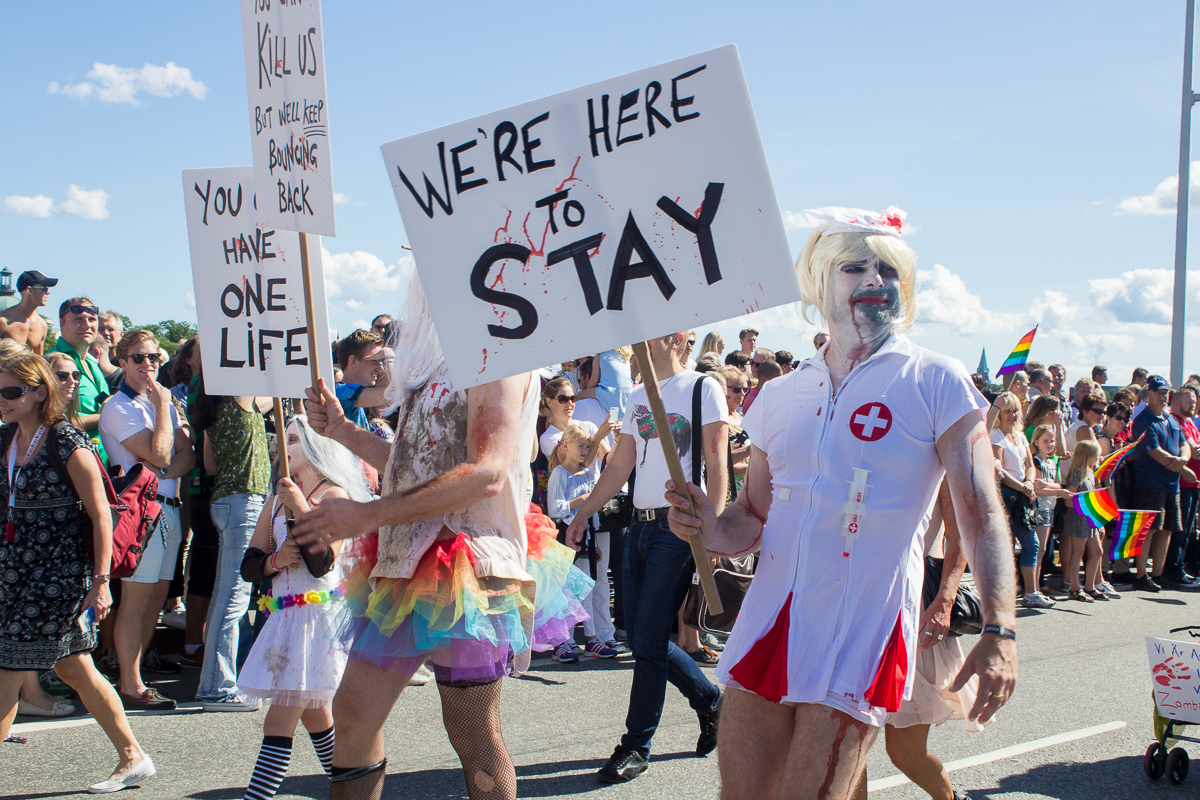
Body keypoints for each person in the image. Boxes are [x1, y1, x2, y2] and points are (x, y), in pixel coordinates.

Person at [663, 205, 1016, 800]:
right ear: (819, 281)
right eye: (855, 268)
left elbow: (982, 516)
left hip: (863, 628)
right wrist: (705, 524)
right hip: (770, 624)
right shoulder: (779, 394)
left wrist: (1000, 628)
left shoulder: (937, 380)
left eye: (888, 270)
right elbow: (751, 517)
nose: (874, 282)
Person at [291, 275, 588, 800]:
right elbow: (414, 467)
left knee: (472, 730)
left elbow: (487, 473)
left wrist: (368, 515)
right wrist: (343, 431)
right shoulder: (434, 364)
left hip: (470, 564)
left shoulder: (501, 354)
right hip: (405, 561)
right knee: (354, 710)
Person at [565, 331, 728, 785]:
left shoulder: (702, 388)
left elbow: (717, 466)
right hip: (638, 524)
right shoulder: (638, 395)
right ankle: (711, 701)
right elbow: (620, 465)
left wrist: (711, 532)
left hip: (678, 527)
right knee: (642, 637)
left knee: (649, 638)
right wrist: (583, 513)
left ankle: (635, 745)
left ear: (676, 338)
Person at [0, 352, 156, 792]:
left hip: (59, 575)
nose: (3, 400)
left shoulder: (65, 439)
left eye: (11, 392)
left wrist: (101, 583)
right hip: (16, 571)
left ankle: (132, 757)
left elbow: (103, 514)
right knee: (75, 669)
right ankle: (134, 757)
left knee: (7, 665)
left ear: (38, 392)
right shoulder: (6, 438)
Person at [236, 417, 371, 800]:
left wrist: (299, 507)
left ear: (314, 446)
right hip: (284, 617)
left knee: (280, 718)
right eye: (283, 438)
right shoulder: (273, 502)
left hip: (319, 620)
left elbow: (323, 562)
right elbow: (250, 565)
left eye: (292, 438)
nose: (283, 446)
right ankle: (357, 789)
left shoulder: (333, 497)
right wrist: (274, 561)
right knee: (316, 716)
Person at [853, 482, 984, 800]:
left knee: (905, 753)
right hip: (855, 607)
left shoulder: (937, 451)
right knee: (846, 746)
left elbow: (960, 537)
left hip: (914, 615)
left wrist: (945, 600)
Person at [99, 330, 194, 711]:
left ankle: (134, 672)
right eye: (138, 358)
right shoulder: (118, 407)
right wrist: (164, 409)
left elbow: (185, 455)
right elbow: (159, 453)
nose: (148, 365)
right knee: (136, 600)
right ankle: (130, 682)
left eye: (154, 358)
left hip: (168, 507)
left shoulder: (162, 404)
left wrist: (166, 460)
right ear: (122, 363)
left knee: (156, 599)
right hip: (142, 511)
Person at [192, 377, 273, 711]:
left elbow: (210, 465)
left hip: (225, 501)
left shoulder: (211, 410)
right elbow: (273, 391)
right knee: (233, 597)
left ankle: (226, 679)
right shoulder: (243, 397)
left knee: (226, 596)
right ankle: (216, 687)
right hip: (245, 502)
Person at [546, 422, 618, 660]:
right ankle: (562, 642)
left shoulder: (587, 474)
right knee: (564, 590)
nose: (585, 451)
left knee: (586, 588)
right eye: (581, 446)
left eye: (588, 446)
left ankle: (591, 639)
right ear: (565, 446)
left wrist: (595, 542)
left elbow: (593, 513)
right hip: (563, 535)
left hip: (585, 537)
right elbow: (555, 509)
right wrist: (581, 501)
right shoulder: (559, 473)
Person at [1130, 375, 1199, 591]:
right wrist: (1181, 465)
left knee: (1168, 529)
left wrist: (1182, 460)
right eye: (1158, 392)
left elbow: (1184, 443)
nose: (1162, 396)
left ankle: (1157, 574)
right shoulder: (1143, 419)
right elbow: (1155, 453)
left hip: (1171, 483)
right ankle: (1141, 576)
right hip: (1150, 482)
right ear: (1148, 392)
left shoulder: (1170, 418)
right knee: (1148, 530)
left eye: (1164, 392)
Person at [991, 392, 1046, 607]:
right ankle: (1025, 592)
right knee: (1022, 545)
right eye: (1007, 411)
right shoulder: (995, 435)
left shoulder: (1021, 436)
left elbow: (1030, 465)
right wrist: (1022, 486)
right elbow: (1000, 470)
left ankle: (1027, 592)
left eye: (1015, 410)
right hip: (1009, 497)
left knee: (1028, 545)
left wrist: (1030, 483)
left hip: (1024, 495)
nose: (1012, 415)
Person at [48, 298, 108, 461]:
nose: (87, 325)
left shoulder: (91, 362)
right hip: (69, 463)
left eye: (92, 319)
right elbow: (50, 422)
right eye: (78, 319)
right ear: (62, 323)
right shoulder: (51, 364)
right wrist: (107, 415)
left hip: (102, 462)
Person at [1060, 441, 1107, 602]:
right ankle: (1074, 588)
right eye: (1095, 455)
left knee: (1097, 551)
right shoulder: (1076, 474)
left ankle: (1089, 586)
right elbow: (1068, 501)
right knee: (1078, 553)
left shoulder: (1090, 472)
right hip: (1079, 518)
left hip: (1089, 518)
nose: (1097, 458)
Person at [1030, 424, 1071, 604]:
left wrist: (1054, 488)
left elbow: (1056, 485)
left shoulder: (1051, 461)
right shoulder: (1035, 461)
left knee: (1043, 549)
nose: (1049, 444)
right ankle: (1034, 587)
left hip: (1049, 507)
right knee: (1037, 549)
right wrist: (1056, 489)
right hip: (1039, 508)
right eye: (1045, 441)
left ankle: (1037, 585)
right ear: (1036, 441)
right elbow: (1037, 487)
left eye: (1052, 440)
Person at [333, 329, 392, 440]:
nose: (379, 368)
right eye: (374, 360)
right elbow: (393, 393)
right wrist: (390, 358)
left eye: (381, 361)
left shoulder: (348, 393)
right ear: (353, 361)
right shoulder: (340, 392)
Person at [0, 270, 56, 354]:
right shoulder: (4, 321)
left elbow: (38, 363)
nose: (48, 292)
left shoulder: (42, 325)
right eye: (44, 288)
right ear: (29, 290)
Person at [91, 311, 126, 394]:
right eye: (101, 329)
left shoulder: (127, 363)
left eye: (110, 329)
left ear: (121, 334)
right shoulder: (87, 363)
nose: (105, 333)